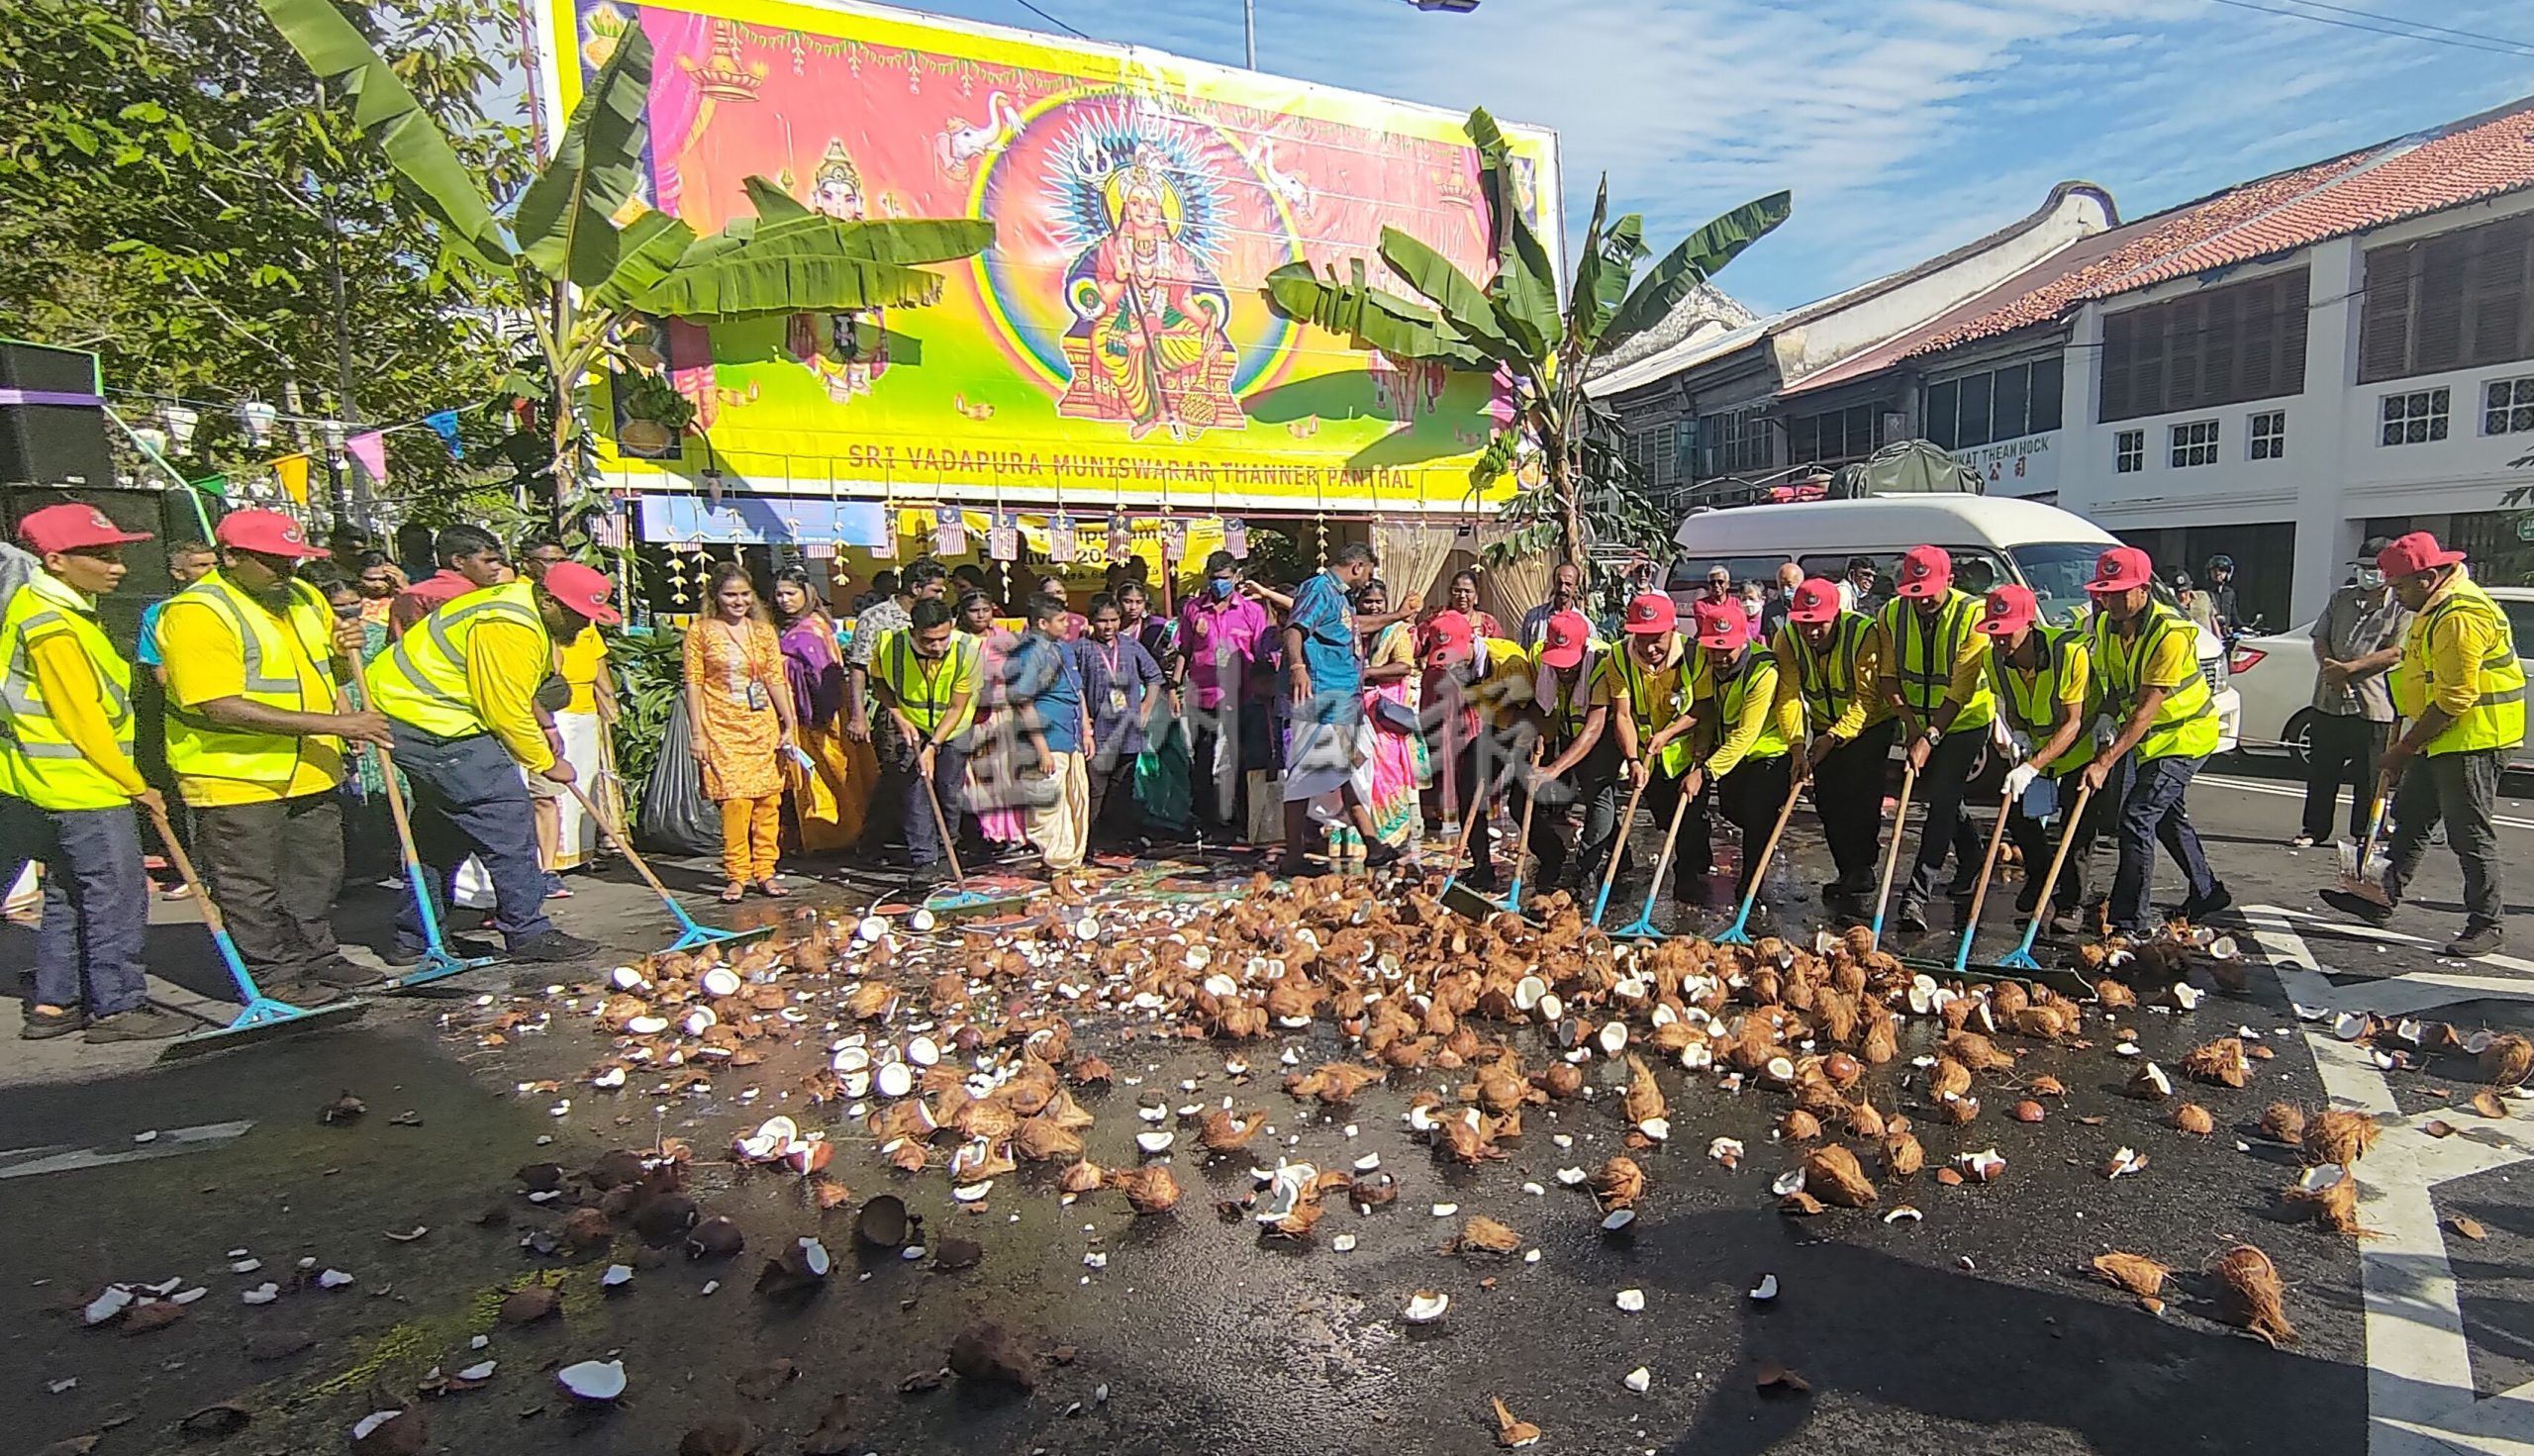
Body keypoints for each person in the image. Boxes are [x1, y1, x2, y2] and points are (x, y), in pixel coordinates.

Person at [152, 509, 394, 1001]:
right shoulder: (198, 612)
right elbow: (219, 705)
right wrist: (340, 724)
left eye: (293, 560)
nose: (288, 571)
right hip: (234, 773)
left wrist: (340, 657)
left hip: (310, 766)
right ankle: (274, 976)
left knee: (316, 874)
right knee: (250, 885)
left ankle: (318, 956)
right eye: (274, 561)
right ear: (233, 557)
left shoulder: (304, 595)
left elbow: (326, 676)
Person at [0, 506, 192, 1040]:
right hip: (79, 781)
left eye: (117, 554)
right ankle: (117, 1006)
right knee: (116, 892)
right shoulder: (51, 622)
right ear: (57, 560)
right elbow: (79, 715)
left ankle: (56, 1003)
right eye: (101, 556)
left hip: (45, 780)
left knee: (69, 889)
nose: (118, 567)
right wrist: (135, 784)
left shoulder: (58, 607)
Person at [366, 560, 613, 964]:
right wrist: (545, 762)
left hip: (426, 714)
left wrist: (547, 729)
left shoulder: (524, 613)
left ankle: (417, 935)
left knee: (443, 833)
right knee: (506, 816)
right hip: (429, 718)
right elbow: (504, 708)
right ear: (549, 601)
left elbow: (515, 689)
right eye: (577, 615)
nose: (585, 625)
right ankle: (527, 931)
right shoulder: (509, 624)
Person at [2321, 533, 2522, 956]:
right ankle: (2380, 897)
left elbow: (2455, 698)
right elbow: (2419, 670)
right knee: (2411, 817)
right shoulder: (2435, 607)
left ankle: (2487, 922)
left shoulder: (2459, 616)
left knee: (2469, 832)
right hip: (2442, 733)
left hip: (2473, 736)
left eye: (2398, 587)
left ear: (2427, 578)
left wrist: (2404, 747)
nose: (2393, 596)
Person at [2081, 545, 2230, 936]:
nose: (2109, 600)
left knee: (2136, 819)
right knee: (2166, 818)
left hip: (2185, 735)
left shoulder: (2171, 634)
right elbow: (2115, 686)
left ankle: (2131, 922)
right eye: (2104, 592)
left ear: (2144, 590)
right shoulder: (2105, 627)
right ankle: (2207, 890)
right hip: (2150, 740)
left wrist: (2106, 760)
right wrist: (2104, 719)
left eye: (2118, 592)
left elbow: (2147, 708)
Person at [1879, 544, 1994, 933]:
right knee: (1944, 797)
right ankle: (1972, 854)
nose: (1922, 598)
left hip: (1965, 720)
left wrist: (1929, 736)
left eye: (1929, 589)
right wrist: (1911, 727)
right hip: (1917, 718)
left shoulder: (1972, 615)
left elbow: (1960, 689)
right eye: (1914, 590)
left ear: (1950, 580)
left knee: (1940, 800)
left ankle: (1916, 895)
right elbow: (1889, 677)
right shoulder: (1891, 614)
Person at [1976, 583, 2102, 929]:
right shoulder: (1995, 660)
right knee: (2018, 816)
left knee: (2076, 831)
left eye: (2006, 632)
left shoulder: (2069, 654)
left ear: (2029, 623)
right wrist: (2017, 735)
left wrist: (2032, 767)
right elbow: (2014, 707)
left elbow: (2072, 722)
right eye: (1994, 632)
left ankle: (2070, 904)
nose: (1999, 640)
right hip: (2037, 748)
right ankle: (2040, 877)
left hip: (2078, 749)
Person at [1277, 542, 1401, 874]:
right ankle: (1293, 857)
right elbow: (1295, 629)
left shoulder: (1341, 597)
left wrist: (1399, 616)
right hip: (1321, 698)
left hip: (1346, 699)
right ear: (1358, 567)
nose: (1368, 582)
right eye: (1369, 573)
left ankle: (1373, 843)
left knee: (1349, 770)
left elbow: (1356, 625)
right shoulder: (1319, 588)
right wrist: (1297, 667)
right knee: (1305, 775)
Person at [1776, 577, 1893, 912]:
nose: (1811, 631)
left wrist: (1833, 738)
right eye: (1804, 623)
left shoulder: (1862, 633)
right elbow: (1788, 696)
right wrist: (1798, 747)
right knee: (1828, 800)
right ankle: (1846, 870)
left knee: (1860, 795)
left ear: (1836, 616)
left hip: (1870, 724)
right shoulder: (1787, 639)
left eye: (1819, 623)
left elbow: (1866, 698)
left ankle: (1863, 867)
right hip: (1824, 724)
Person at [684, 562, 798, 903]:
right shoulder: (700, 632)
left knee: (768, 800)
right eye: (730, 595)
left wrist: (789, 723)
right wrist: (696, 733)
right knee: (734, 801)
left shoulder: (763, 632)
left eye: (744, 594)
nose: (738, 601)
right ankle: (737, 875)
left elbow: (775, 679)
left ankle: (765, 870)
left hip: (761, 723)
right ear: (716, 597)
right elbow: (693, 683)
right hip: (720, 724)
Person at [1684, 597, 1802, 912]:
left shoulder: (1764, 669)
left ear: (1743, 642)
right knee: (1733, 810)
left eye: (1727, 651)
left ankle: (1751, 887)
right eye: (1714, 650)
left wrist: (1705, 772)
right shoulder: (1703, 661)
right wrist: (1702, 745)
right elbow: (1706, 707)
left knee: (1757, 817)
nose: (1719, 658)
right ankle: (1755, 858)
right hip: (1729, 753)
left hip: (1767, 752)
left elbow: (1747, 733)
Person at [516, 534, 613, 891]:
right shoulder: (523, 610)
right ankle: (541, 868)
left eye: (561, 558)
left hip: (574, 706)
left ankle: (567, 858)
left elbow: (595, 652)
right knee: (542, 793)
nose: (555, 566)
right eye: (547, 560)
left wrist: (607, 696)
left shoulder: (572, 604)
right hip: (535, 712)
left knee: (573, 786)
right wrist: (546, 726)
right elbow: (515, 688)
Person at [2298, 537, 2408, 848]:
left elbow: (2395, 653)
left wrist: (2351, 669)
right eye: (2362, 568)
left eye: (2373, 568)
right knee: (2322, 771)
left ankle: (2364, 832)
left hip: (2373, 704)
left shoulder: (2400, 605)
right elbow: (2320, 637)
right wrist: (2331, 669)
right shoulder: (2342, 598)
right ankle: (2313, 829)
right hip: (2329, 698)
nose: (2367, 574)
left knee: (2370, 775)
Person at [1601, 592, 1705, 913]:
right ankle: (1694, 854)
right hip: (1647, 752)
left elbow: (1702, 705)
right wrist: (1632, 759)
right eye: (1642, 639)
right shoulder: (1618, 657)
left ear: (1672, 630)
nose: (1649, 648)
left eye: (1656, 639)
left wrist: (1670, 733)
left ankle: (1689, 876)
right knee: (1663, 816)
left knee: (1689, 819)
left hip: (1687, 750)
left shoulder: (1693, 652)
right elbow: (1622, 714)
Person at [869, 597, 981, 884]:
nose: (937, 647)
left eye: (943, 638)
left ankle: (947, 855)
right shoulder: (889, 645)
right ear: (913, 631)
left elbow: (958, 706)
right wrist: (899, 717)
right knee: (914, 792)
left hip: (954, 729)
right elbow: (879, 684)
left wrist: (933, 746)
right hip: (912, 726)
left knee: (947, 792)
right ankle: (924, 861)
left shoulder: (968, 650)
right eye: (928, 641)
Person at [133, 538, 218, 900]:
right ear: (178, 573)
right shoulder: (161, 614)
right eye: (200, 566)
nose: (209, 573)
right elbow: (162, 674)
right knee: (194, 804)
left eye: (213, 564)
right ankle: (199, 873)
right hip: (194, 724)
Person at [846, 559, 948, 855]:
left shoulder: (937, 619)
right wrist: (858, 717)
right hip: (891, 710)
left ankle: (923, 844)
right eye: (936, 590)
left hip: (933, 710)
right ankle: (874, 843)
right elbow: (859, 668)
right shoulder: (876, 618)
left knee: (926, 778)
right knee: (898, 776)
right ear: (916, 588)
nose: (941, 596)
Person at [773, 568, 870, 857]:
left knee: (830, 774)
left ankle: (837, 834)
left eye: (791, 593)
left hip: (819, 714)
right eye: (779, 594)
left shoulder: (810, 630)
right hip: (807, 713)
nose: (784, 600)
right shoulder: (800, 627)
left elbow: (819, 674)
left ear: (806, 594)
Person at [1182, 549, 1271, 840]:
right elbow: (1184, 648)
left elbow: (1261, 655)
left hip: (1244, 696)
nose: (1218, 584)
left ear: (1236, 578)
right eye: (1213, 578)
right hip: (1204, 696)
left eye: (1224, 578)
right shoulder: (1193, 609)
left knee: (1245, 761)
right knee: (1203, 761)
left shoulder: (1252, 612)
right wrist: (1175, 686)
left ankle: (1246, 822)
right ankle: (1206, 824)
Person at [1526, 609, 1615, 892]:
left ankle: (1586, 868)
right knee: (1593, 797)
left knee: (1598, 794)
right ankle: (1621, 858)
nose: (1563, 670)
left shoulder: (1602, 661)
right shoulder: (1542, 657)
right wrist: (1543, 736)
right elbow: (1543, 702)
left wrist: (1554, 769)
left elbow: (1594, 725)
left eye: (1570, 663)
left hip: (1602, 735)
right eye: (1558, 663)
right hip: (1568, 727)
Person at [1005, 592, 1091, 873]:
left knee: (1075, 801)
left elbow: (1077, 691)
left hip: (1072, 735)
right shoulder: (1028, 653)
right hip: (1047, 738)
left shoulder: (1063, 649)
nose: (1068, 625)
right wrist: (1041, 747)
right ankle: (1057, 865)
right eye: (1061, 620)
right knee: (1049, 806)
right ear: (1042, 623)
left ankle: (1071, 862)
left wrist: (1086, 729)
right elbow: (1023, 701)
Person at [1075, 592, 1163, 853]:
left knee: (1121, 788)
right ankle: (1088, 841)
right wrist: (1083, 724)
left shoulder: (1129, 645)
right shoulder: (1081, 648)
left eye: (1113, 620)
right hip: (1098, 732)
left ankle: (1119, 839)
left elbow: (1155, 675)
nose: (1108, 626)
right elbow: (1074, 686)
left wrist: (1146, 706)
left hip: (1128, 731)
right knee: (1095, 790)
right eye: (1102, 621)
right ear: (1092, 621)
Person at [1355, 579, 1427, 852]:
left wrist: (1368, 673)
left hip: (1383, 712)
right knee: (1358, 769)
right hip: (1354, 710)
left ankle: (1390, 833)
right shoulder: (1353, 628)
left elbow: (1404, 666)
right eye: (1368, 602)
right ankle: (1358, 835)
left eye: (1379, 602)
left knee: (1385, 768)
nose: (1374, 607)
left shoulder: (1396, 631)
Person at [389, 525, 509, 637]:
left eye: (497, 561)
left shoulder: (414, 596)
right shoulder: (421, 597)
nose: (497, 567)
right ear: (458, 561)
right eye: (488, 561)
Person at [1519, 561, 1586, 649]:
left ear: (1576, 586)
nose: (1562, 589)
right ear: (1554, 583)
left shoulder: (1585, 624)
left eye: (1568, 584)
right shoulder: (1533, 617)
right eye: (1559, 583)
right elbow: (1523, 652)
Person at [353, 549, 404, 627]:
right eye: (371, 579)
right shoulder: (350, 600)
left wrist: (405, 586)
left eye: (384, 579)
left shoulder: (401, 598)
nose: (378, 585)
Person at [1759, 561, 1803, 640]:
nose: (1786, 590)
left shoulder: (1808, 609)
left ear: (1800, 583)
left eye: (1790, 585)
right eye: (1782, 585)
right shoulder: (1769, 610)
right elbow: (1767, 639)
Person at [2204, 555, 2241, 638]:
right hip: (2210, 636)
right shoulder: (2204, 594)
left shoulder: (2230, 593)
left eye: (2221, 570)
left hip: (2227, 637)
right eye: (2214, 570)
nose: (2218, 573)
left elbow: (2234, 617)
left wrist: (2245, 628)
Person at [2174, 570, 2213, 634]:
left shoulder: (2203, 597)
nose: (2182, 596)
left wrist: (2219, 641)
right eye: (2178, 593)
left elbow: (2212, 618)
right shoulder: (2172, 607)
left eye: (2185, 592)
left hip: (2208, 641)